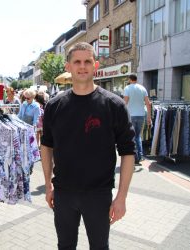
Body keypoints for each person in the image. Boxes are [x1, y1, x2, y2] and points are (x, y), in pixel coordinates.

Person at [41, 42, 135, 250]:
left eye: (87, 61)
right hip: (64, 194)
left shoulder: (114, 105)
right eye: (77, 62)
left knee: (100, 247)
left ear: (95, 65)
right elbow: (46, 146)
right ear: (68, 66)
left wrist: (121, 197)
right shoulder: (54, 106)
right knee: (65, 246)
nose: (82, 66)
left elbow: (128, 152)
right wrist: (48, 185)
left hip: (98, 195)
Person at [123, 74, 152, 165]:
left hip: (130, 115)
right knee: (138, 136)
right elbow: (148, 103)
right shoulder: (143, 88)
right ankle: (140, 156)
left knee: (131, 137)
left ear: (130, 79)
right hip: (141, 115)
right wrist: (149, 117)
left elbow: (125, 102)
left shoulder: (127, 88)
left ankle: (134, 157)